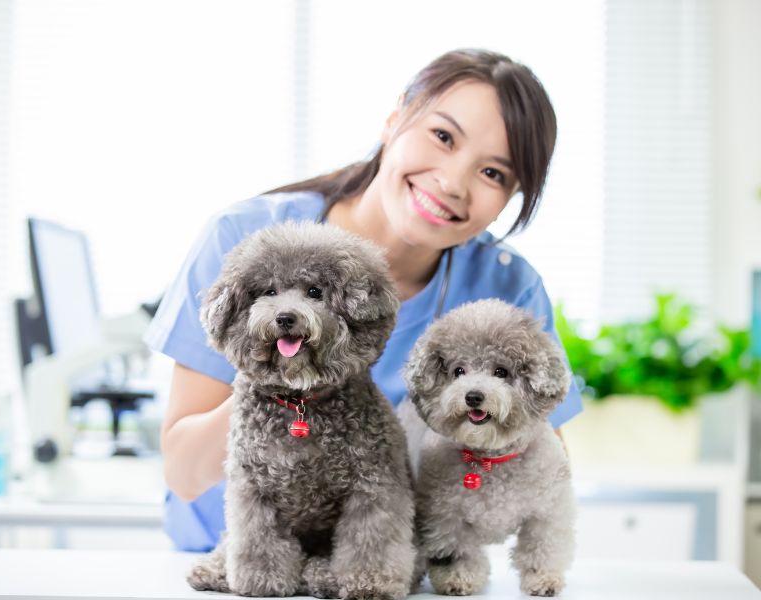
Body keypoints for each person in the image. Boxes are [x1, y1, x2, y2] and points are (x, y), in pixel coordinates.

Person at [144, 48, 582, 552]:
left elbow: (545, 475)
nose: (452, 181)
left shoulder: (507, 288)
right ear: (395, 117)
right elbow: (183, 472)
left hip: (380, 572)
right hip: (233, 564)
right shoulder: (244, 240)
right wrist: (289, 382)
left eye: (493, 174)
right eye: (442, 137)